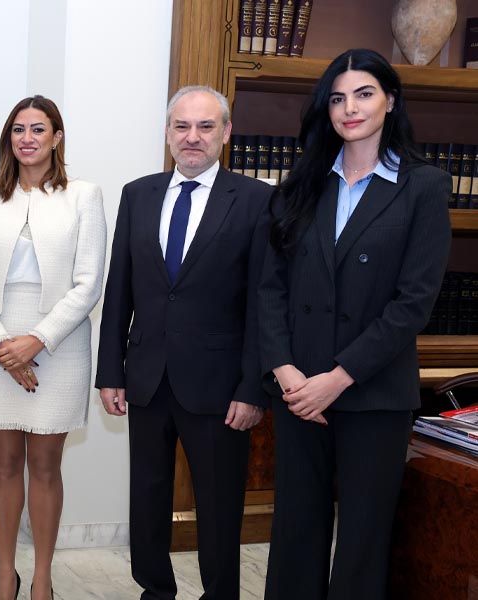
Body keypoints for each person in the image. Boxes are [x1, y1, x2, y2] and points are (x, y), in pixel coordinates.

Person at [260, 48, 451, 600]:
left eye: (364, 94)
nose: (350, 108)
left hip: (373, 392)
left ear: (390, 100)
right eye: (338, 98)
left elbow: (413, 303)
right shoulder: (300, 186)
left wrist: (338, 378)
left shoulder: (424, 186)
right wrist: (286, 371)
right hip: (298, 392)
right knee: (295, 533)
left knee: (363, 541)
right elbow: (269, 289)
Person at [96, 85, 270, 600]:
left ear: (226, 132)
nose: (192, 137)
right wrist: (111, 371)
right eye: (182, 126)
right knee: (147, 498)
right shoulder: (138, 194)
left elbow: (263, 302)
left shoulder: (257, 200)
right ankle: (155, 591)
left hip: (221, 387)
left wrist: (252, 388)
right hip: (147, 377)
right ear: (168, 132)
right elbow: (119, 288)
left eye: (205, 126)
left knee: (219, 505)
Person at [0, 95, 106, 600]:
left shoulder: (83, 196)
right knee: (3, 464)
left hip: (58, 346)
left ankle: (42, 577)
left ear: (57, 137)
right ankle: (6, 574)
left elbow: (88, 283)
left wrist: (37, 340)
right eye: (18, 130)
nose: (27, 138)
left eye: (38, 129)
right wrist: (3, 345)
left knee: (45, 465)